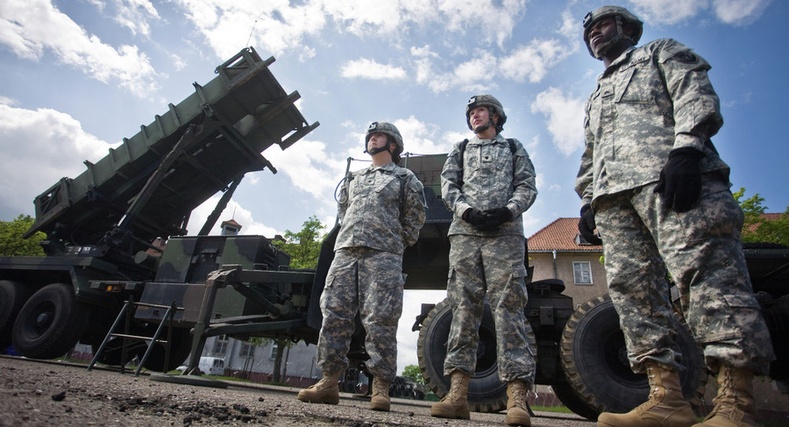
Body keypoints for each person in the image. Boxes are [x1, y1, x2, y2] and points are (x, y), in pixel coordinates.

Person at [575, 6, 775, 427]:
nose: (594, 32)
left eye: (603, 24)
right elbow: (590, 152)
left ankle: (736, 402)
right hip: (615, 201)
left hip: (670, 180)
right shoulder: (596, 94)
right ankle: (666, 398)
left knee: (706, 275)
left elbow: (693, 92)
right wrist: (588, 199)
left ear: (628, 28)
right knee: (633, 292)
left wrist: (686, 148)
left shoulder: (659, 53)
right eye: (589, 30)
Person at [296, 121, 426, 412]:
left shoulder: (405, 178)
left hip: (384, 255)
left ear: (392, 144)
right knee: (334, 315)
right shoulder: (354, 179)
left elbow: (414, 220)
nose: (372, 139)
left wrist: (392, 243)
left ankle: (380, 386)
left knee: (381, 319)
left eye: (378, 136)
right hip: (345, 254)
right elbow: (343, 213)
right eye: (370, 136)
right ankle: (329, 381)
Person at [431, 95, 538, 426]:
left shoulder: (514, 147)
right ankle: (457, 395)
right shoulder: (461, 149)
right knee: (463, 310)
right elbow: (447, 186)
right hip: (465, 236)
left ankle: (516, 398)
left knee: (510, 310)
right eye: (471, 113)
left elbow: (527, 185)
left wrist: (508, 210)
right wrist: (467, 212)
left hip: (505, 236)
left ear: (495, 116)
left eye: (480, 111)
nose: (475, 116)